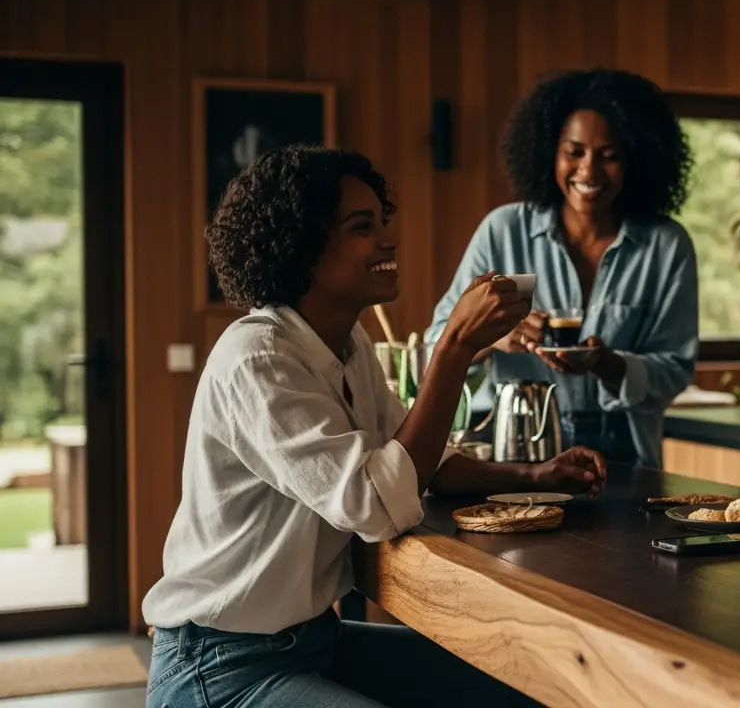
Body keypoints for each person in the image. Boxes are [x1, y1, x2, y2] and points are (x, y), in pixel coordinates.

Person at [144, 145, 605, 707]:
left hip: (315, 643)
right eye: (363, 227)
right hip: (218, 667)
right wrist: (455, 347)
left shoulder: (347, 342)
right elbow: (374, 504)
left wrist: (534, 475)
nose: (389, 240)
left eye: (383, 222)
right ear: (304, 245)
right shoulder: (259, 358)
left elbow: (417, 461)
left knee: (523, 685)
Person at [427, 69, 699, 469]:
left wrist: (609, 364)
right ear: (548, 151)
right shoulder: (503, 232)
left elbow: (675, 368)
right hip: (513, 446)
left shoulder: (666, 245)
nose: (588, 172)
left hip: (624, 452)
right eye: (574, 152)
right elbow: (437, 343)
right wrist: (495, 333)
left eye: (609, 156)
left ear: (636, 161)